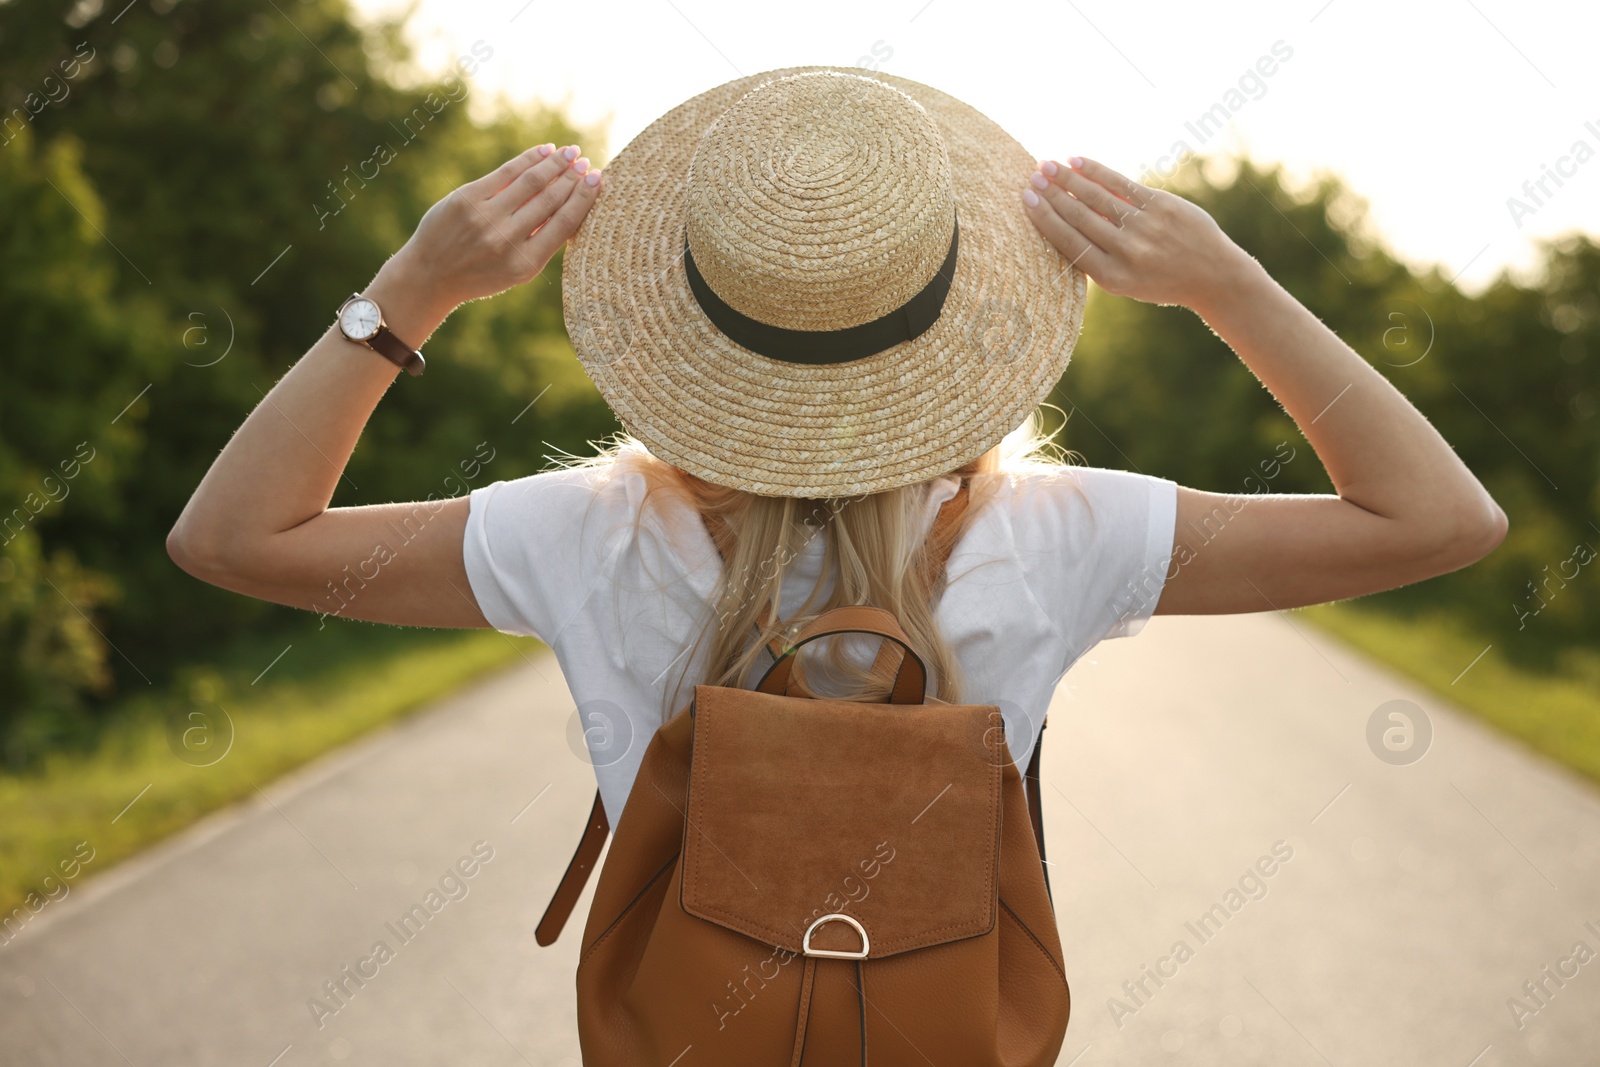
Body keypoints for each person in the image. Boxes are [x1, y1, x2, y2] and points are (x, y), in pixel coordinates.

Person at [166, 67, 1506, 829]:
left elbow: (231, 542)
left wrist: (408, 289)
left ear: (690, 315)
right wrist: (1234, 287)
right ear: (954, 304)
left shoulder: (587, 534)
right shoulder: (1054, 538)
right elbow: (1438, 523)